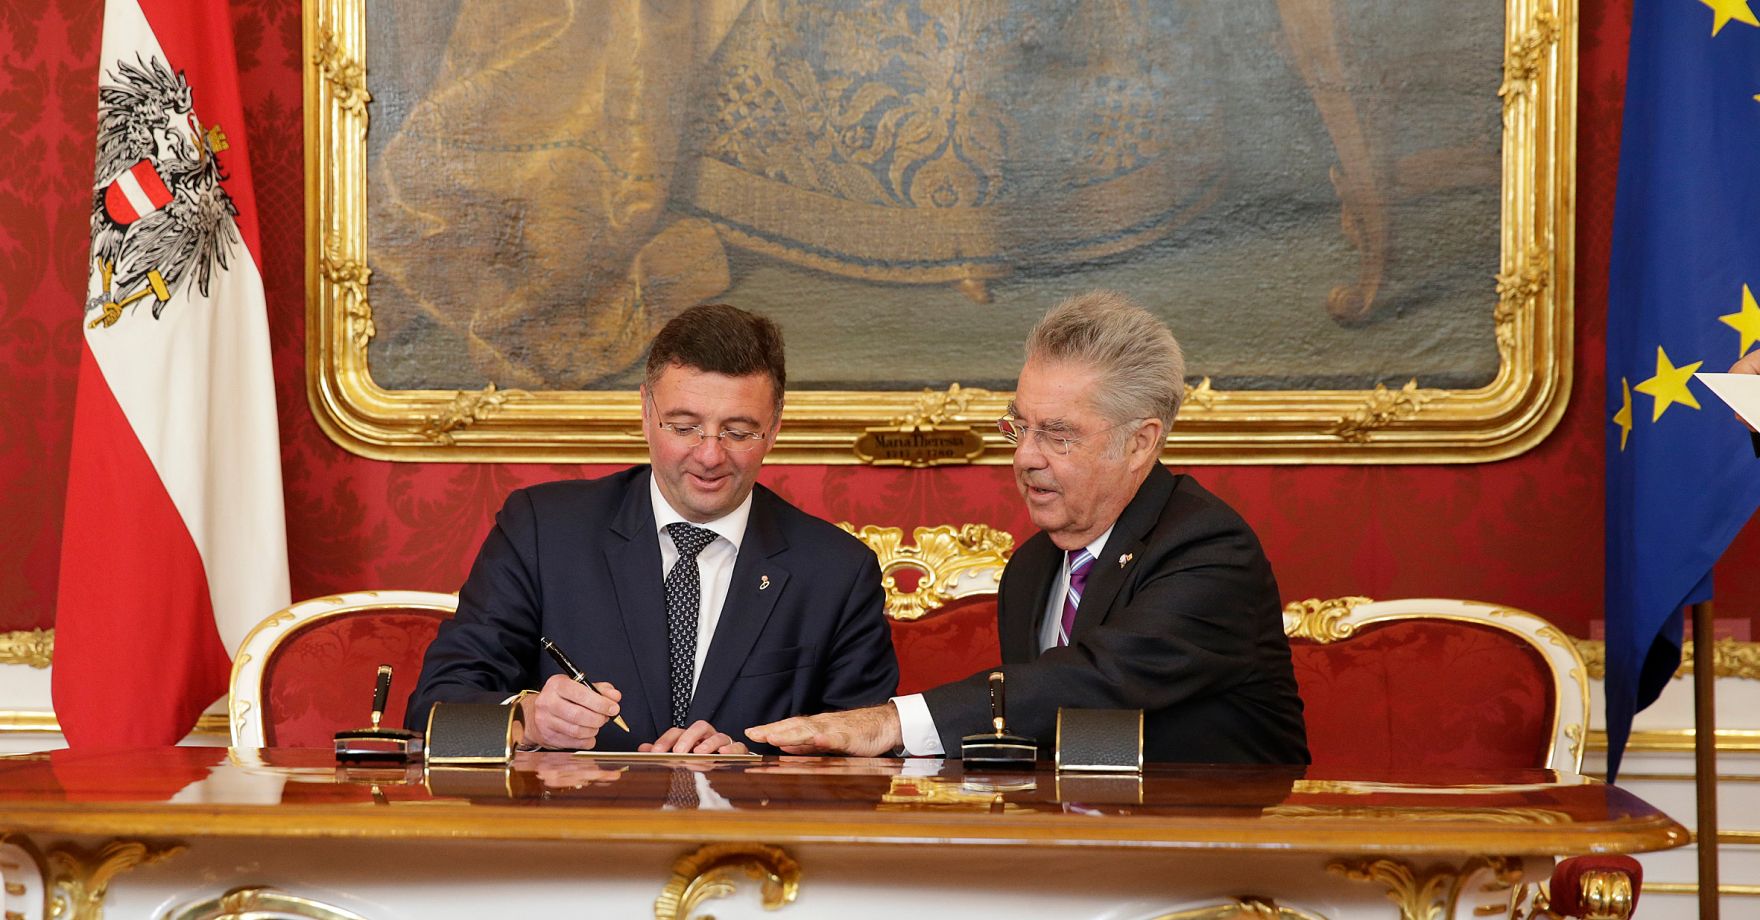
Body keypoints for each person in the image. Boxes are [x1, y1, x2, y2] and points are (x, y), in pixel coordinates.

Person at [748, 291, 1309, 764]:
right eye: (1022, 426)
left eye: (1058, 435)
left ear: (1139, 442)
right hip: (1070, 849)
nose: (1025, 458)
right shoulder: (1034, 567)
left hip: (1215, 857)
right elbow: (1038, 735)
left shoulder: (1207, 549)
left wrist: (896, 722)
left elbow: (1096, 682)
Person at [408, 304, 899, 753]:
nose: (710, 455)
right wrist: (528, 720)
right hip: (580, 839)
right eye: (684, 426)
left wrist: (756, 768)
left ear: (773, 427)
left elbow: (867, 763)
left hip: (750, 844)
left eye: (739, 431)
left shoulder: (838, 571)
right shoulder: (543, 532)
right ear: (646, 412)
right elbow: (432, 712)